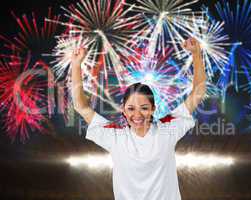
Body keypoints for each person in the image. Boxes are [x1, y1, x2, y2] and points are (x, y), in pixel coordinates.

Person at [71, 37, 206, 200]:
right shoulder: (115, 136)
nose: (137, 115)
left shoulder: (167, 129)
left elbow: (197, 94)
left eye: (144, 108)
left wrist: (196, 54)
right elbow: (81, 106)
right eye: (131, 108)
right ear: (123, 111)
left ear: (153, 109)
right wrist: (76, 64)